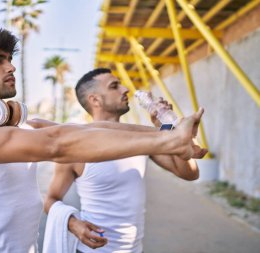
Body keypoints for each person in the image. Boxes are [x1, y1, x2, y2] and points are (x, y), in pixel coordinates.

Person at [0, 27, 206, 253]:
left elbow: (88, 129)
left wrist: (169, 131)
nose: (11, 66)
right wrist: (169, 142)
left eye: (9, 58)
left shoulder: (22, 125)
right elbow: (57, 143)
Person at [42, 68, 206, 253]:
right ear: (95, 100)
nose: (125, 89)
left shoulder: (140, 139)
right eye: (114, 86)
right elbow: (51, 199)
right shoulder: (76, 147)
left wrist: (166, 128)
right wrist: (73, 223)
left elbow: (189, 173)